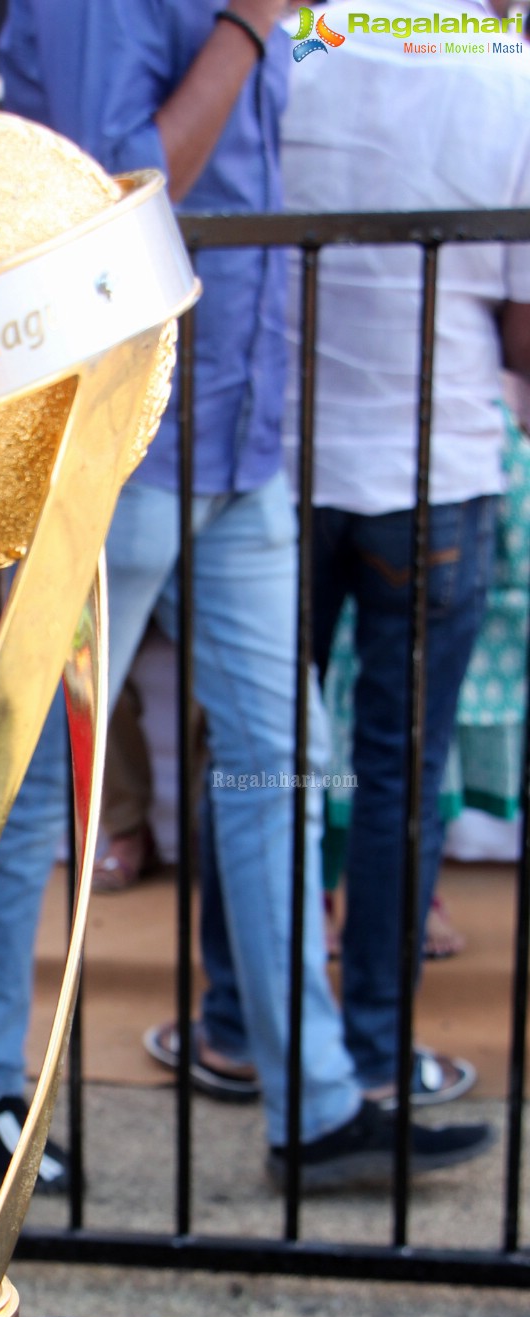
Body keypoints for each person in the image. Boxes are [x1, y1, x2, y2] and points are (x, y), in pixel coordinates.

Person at [0, 0, 491, 1192]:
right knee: (39, 784)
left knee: (283, 768)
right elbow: (120, 195)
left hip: (235, 451)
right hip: (110, 447)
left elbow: (378, 72)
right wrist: (246, 25)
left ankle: (316, 1107)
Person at [260, 0, 530, 1106]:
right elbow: (524, 329)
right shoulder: (503, 67)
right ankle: (373, 1049)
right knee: (400, 773)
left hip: (276, 470)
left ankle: (251, 1028)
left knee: (265, 766)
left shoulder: (293, 43)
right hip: (438, 469)